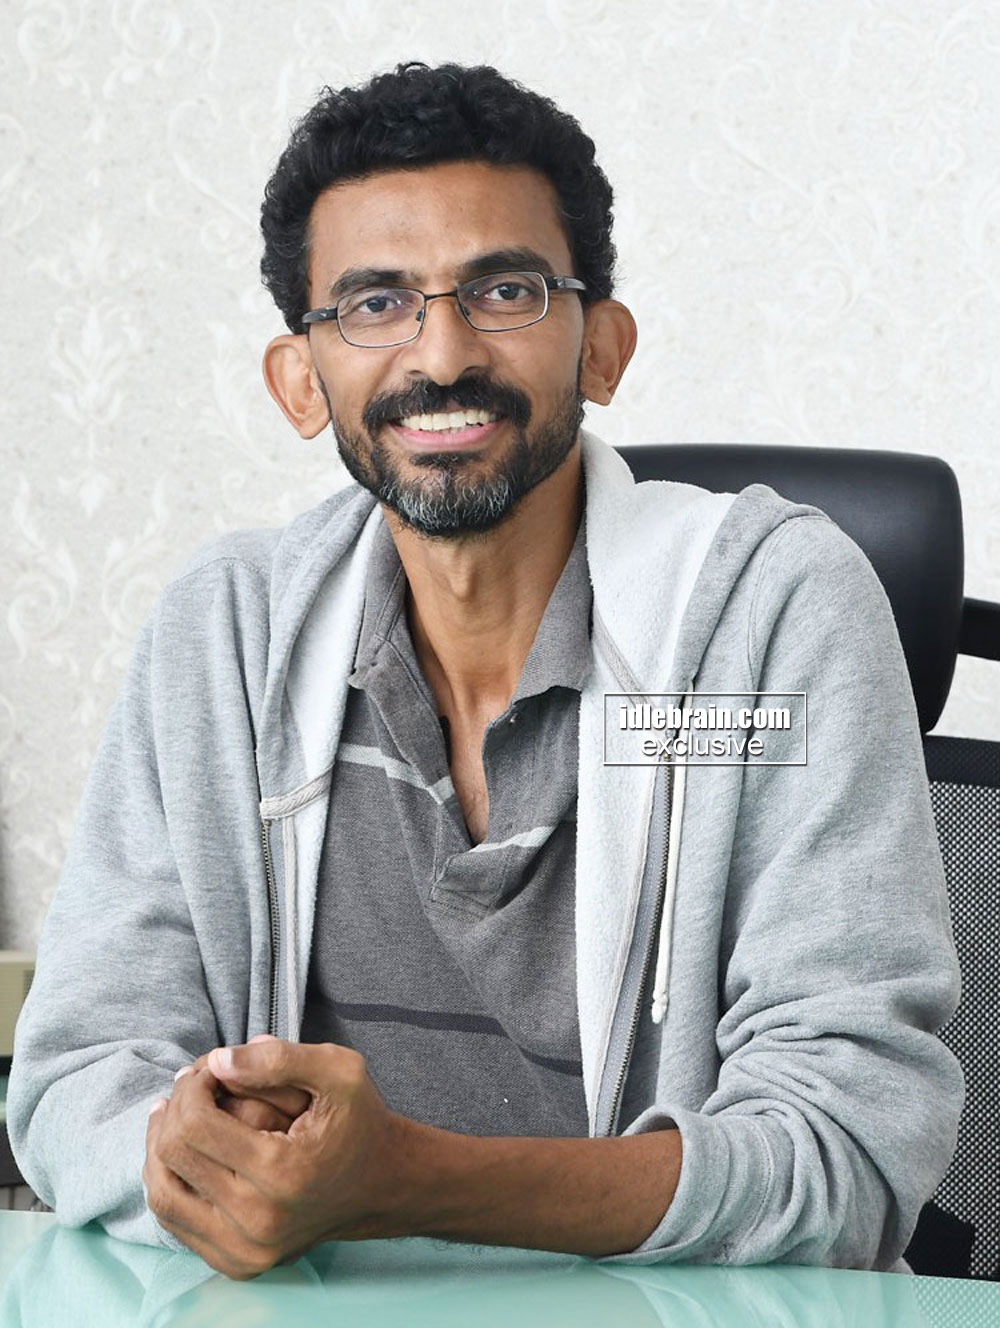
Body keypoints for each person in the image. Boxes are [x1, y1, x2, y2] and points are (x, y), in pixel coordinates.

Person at [8, 62, 962, 1281]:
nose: (442, 352)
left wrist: (403, 1181)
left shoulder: (770, 613)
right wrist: (200, 1156)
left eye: (504, 290)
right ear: (299, 379)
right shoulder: (227, 632)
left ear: (602, 347)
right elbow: (77, 1076)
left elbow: (845, 1151)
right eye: (374, 303)